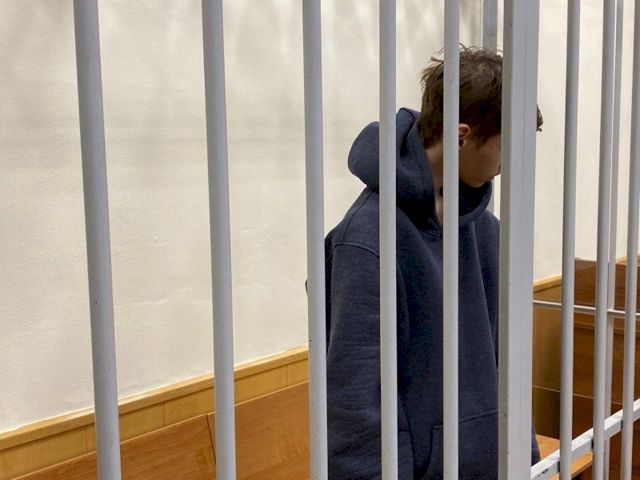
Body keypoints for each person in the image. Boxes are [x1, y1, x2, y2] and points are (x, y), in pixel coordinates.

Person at [324, 47, 543, 479]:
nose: (512, 163)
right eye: (507, 145)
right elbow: (356, 399)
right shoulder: (366, 239)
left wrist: (527, 460)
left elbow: (505, 365)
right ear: (462, 135)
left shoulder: (486, 231)